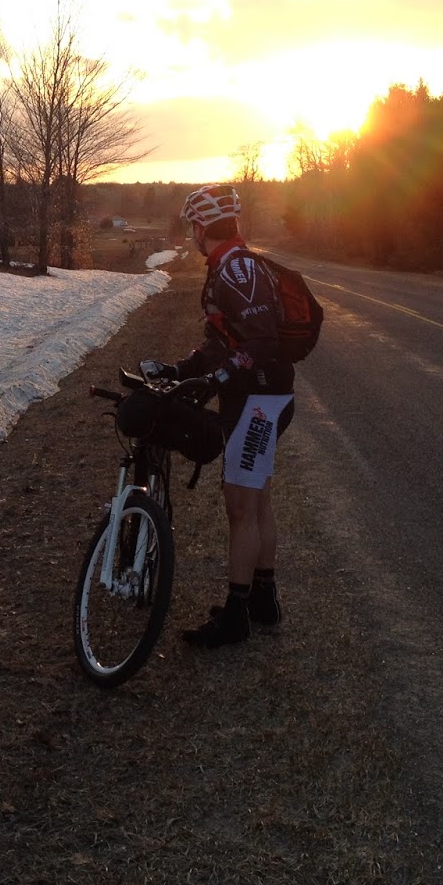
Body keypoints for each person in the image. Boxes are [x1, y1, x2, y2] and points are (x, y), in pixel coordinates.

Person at [141, 184, 295, 647]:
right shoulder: (231, 265)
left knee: (240, 507)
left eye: (194, 226)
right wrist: (183, 370)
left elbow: (262, 340)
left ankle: (236, 616)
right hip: (261, 397)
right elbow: (222, 342)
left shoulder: (238, 268)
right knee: (259, 498)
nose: (192, 234)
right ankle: (264, 599)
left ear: (202, 226)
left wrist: (221, 379)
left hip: (259, 401)